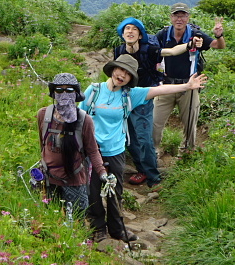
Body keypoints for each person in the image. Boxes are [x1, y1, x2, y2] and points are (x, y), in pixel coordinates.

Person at [79, 54, 207, 242]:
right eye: (120, 70)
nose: (122, 75)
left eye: (127, 74)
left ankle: (117, 228)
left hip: (115, 150)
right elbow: (79, 116)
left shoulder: (130, 94)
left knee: (116, 191)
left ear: (131, 78)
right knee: (92, 190)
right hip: (92, 150)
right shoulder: (94, 91)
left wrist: (187, 86)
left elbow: (158, 91)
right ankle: (98, 228)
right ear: (113, 69)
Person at [114, 17, 195, 188]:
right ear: (122, 34)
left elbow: (171, 52)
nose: (130, 32)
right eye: (126, 29)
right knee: (129, 138)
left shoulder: (149, 49)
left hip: (144, 97)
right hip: (124, 97)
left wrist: (188, 45)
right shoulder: (119, 51)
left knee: (144, 139)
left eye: (134, 29)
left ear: (140, 34)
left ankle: (153, 176)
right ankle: (141, 169)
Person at [153, 2, 225, 152]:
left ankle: (186, 153)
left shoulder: (196, 35)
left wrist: (219, 35)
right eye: (176, 15)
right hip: (166, 86)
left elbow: (219, 46)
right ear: (171, 17)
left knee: (190, 123)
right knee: (154, 122)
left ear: (188, 17)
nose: (179, 19)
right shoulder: (163, 34)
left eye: (183, 15)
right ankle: (154, 154)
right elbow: (153, 52)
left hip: (189, 86)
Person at [36, 73, 108, 215]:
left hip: (74, 180)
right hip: (48, 180)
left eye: (69, 90)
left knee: (76, 219)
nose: (64, 94)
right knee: (50, 219)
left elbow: (93, 151)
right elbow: (43, 145)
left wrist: (102, 173)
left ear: (75, 93)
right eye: (59, 90)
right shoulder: (43, 115)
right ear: (53, 93)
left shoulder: (84, 120)